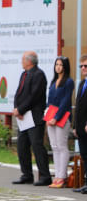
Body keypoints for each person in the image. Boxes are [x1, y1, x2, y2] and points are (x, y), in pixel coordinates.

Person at [12, 51, 51, 186]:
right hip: (23, 118)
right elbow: (19, 93)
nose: (21, 61)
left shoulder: (38, 75)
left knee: (37, 145)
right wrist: (16, 108)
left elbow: (34, 96)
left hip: (34, 116)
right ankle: (26, 174)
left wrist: (21, 109)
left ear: (30, 61)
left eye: (23, 59)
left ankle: (45, 175)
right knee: (22, 145)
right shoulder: (24, 74)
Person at [44, 57, 74, 188]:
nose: (58, 67)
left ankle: (62, 176)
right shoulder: (53, 81)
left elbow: (66, 101)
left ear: (65, 67)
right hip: (50, 116)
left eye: (61, 65)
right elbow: (49, 101)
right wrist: (47, 115)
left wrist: (56, 117)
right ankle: (56, 175)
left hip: (62, 117)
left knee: (62, 146)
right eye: (56, 64)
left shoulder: (68, 82)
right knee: (54, 146)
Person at [72, 55, 87, 193]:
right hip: (81, 127)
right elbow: (78, 105)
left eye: (86, 66)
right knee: (84, 154)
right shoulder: (82, 83)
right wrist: (75, 126)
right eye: (81, 66)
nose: (83, 68)